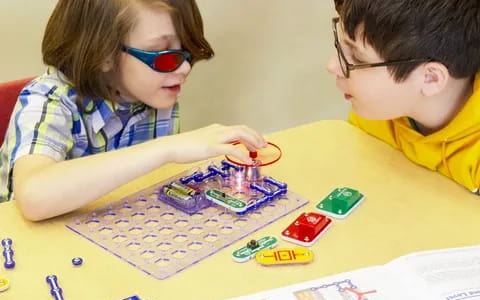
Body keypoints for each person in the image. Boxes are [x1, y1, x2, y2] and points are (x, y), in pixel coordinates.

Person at [0, 0, 266, 221]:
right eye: (163, 55)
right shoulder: (48, 101)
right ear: (103, 55)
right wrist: (167, 147)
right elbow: (34, 197)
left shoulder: (153, 92)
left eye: (187, 52)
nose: (183, 68)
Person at [327, 0, 480, 193]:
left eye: (357, 58)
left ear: (430, 78)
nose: (331, 66)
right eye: (341, 47)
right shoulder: (377, 114)